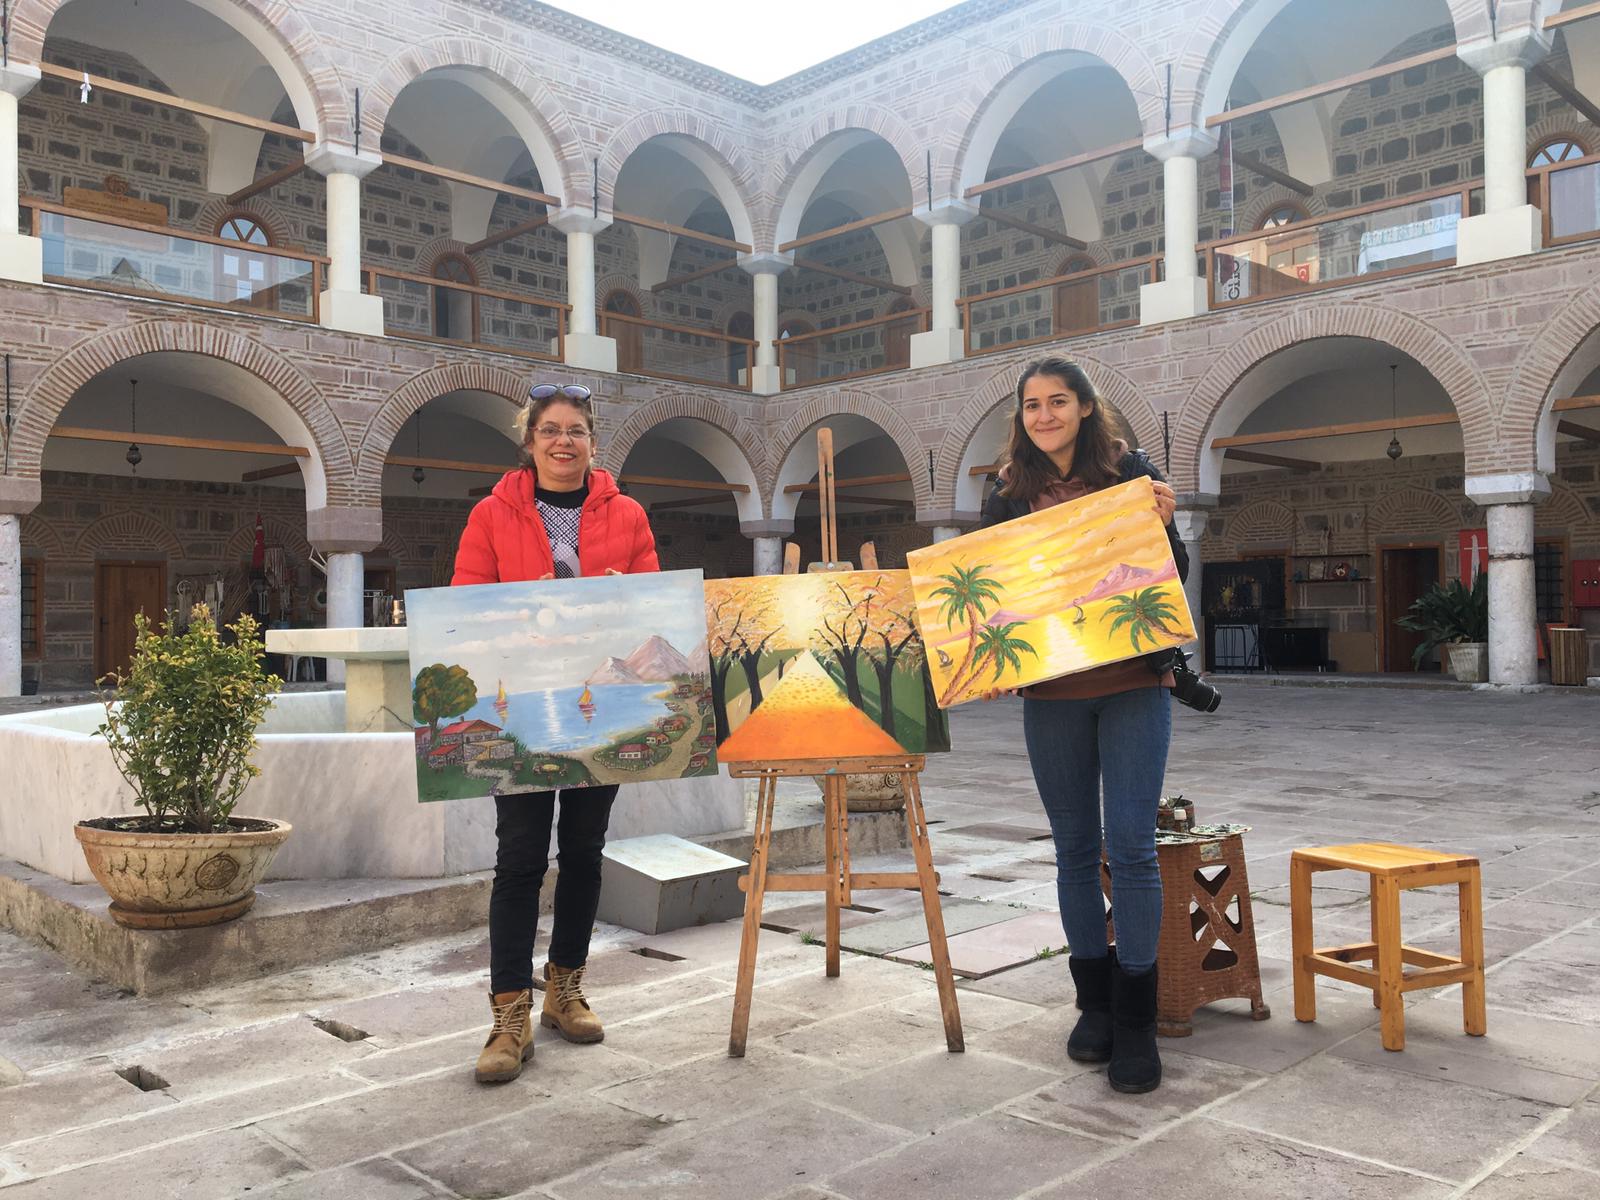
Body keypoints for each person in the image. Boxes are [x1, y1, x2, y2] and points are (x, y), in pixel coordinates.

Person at [979, 356, 1184, 1095]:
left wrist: (1164, 526)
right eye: (1032, 405)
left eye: (1057, 401)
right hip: (1053, 695)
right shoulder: (1005, 494)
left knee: (1130, 848)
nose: (1044, 415)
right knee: (1073, 850)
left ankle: (1137, 1019)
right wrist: (988, 658)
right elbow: (991, 594)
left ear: (1087, 407)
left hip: (1134, 683)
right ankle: (1092, 1005)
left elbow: (1173, 575)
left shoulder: (1132, 475)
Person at [451, 382, 660, 1084]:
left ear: (593, 443)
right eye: (550, 430)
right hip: (521, 709)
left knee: (585, 852)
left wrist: (615, 600)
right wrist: (529, 613)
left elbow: (650, 601)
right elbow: (466, 604)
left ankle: (564, 989)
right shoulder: (491, 513)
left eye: (576, 430)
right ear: (530, 440)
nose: (563, 441)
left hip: (601, 700)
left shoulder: (627, 514)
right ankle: (508, 1013)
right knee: (518, 859)